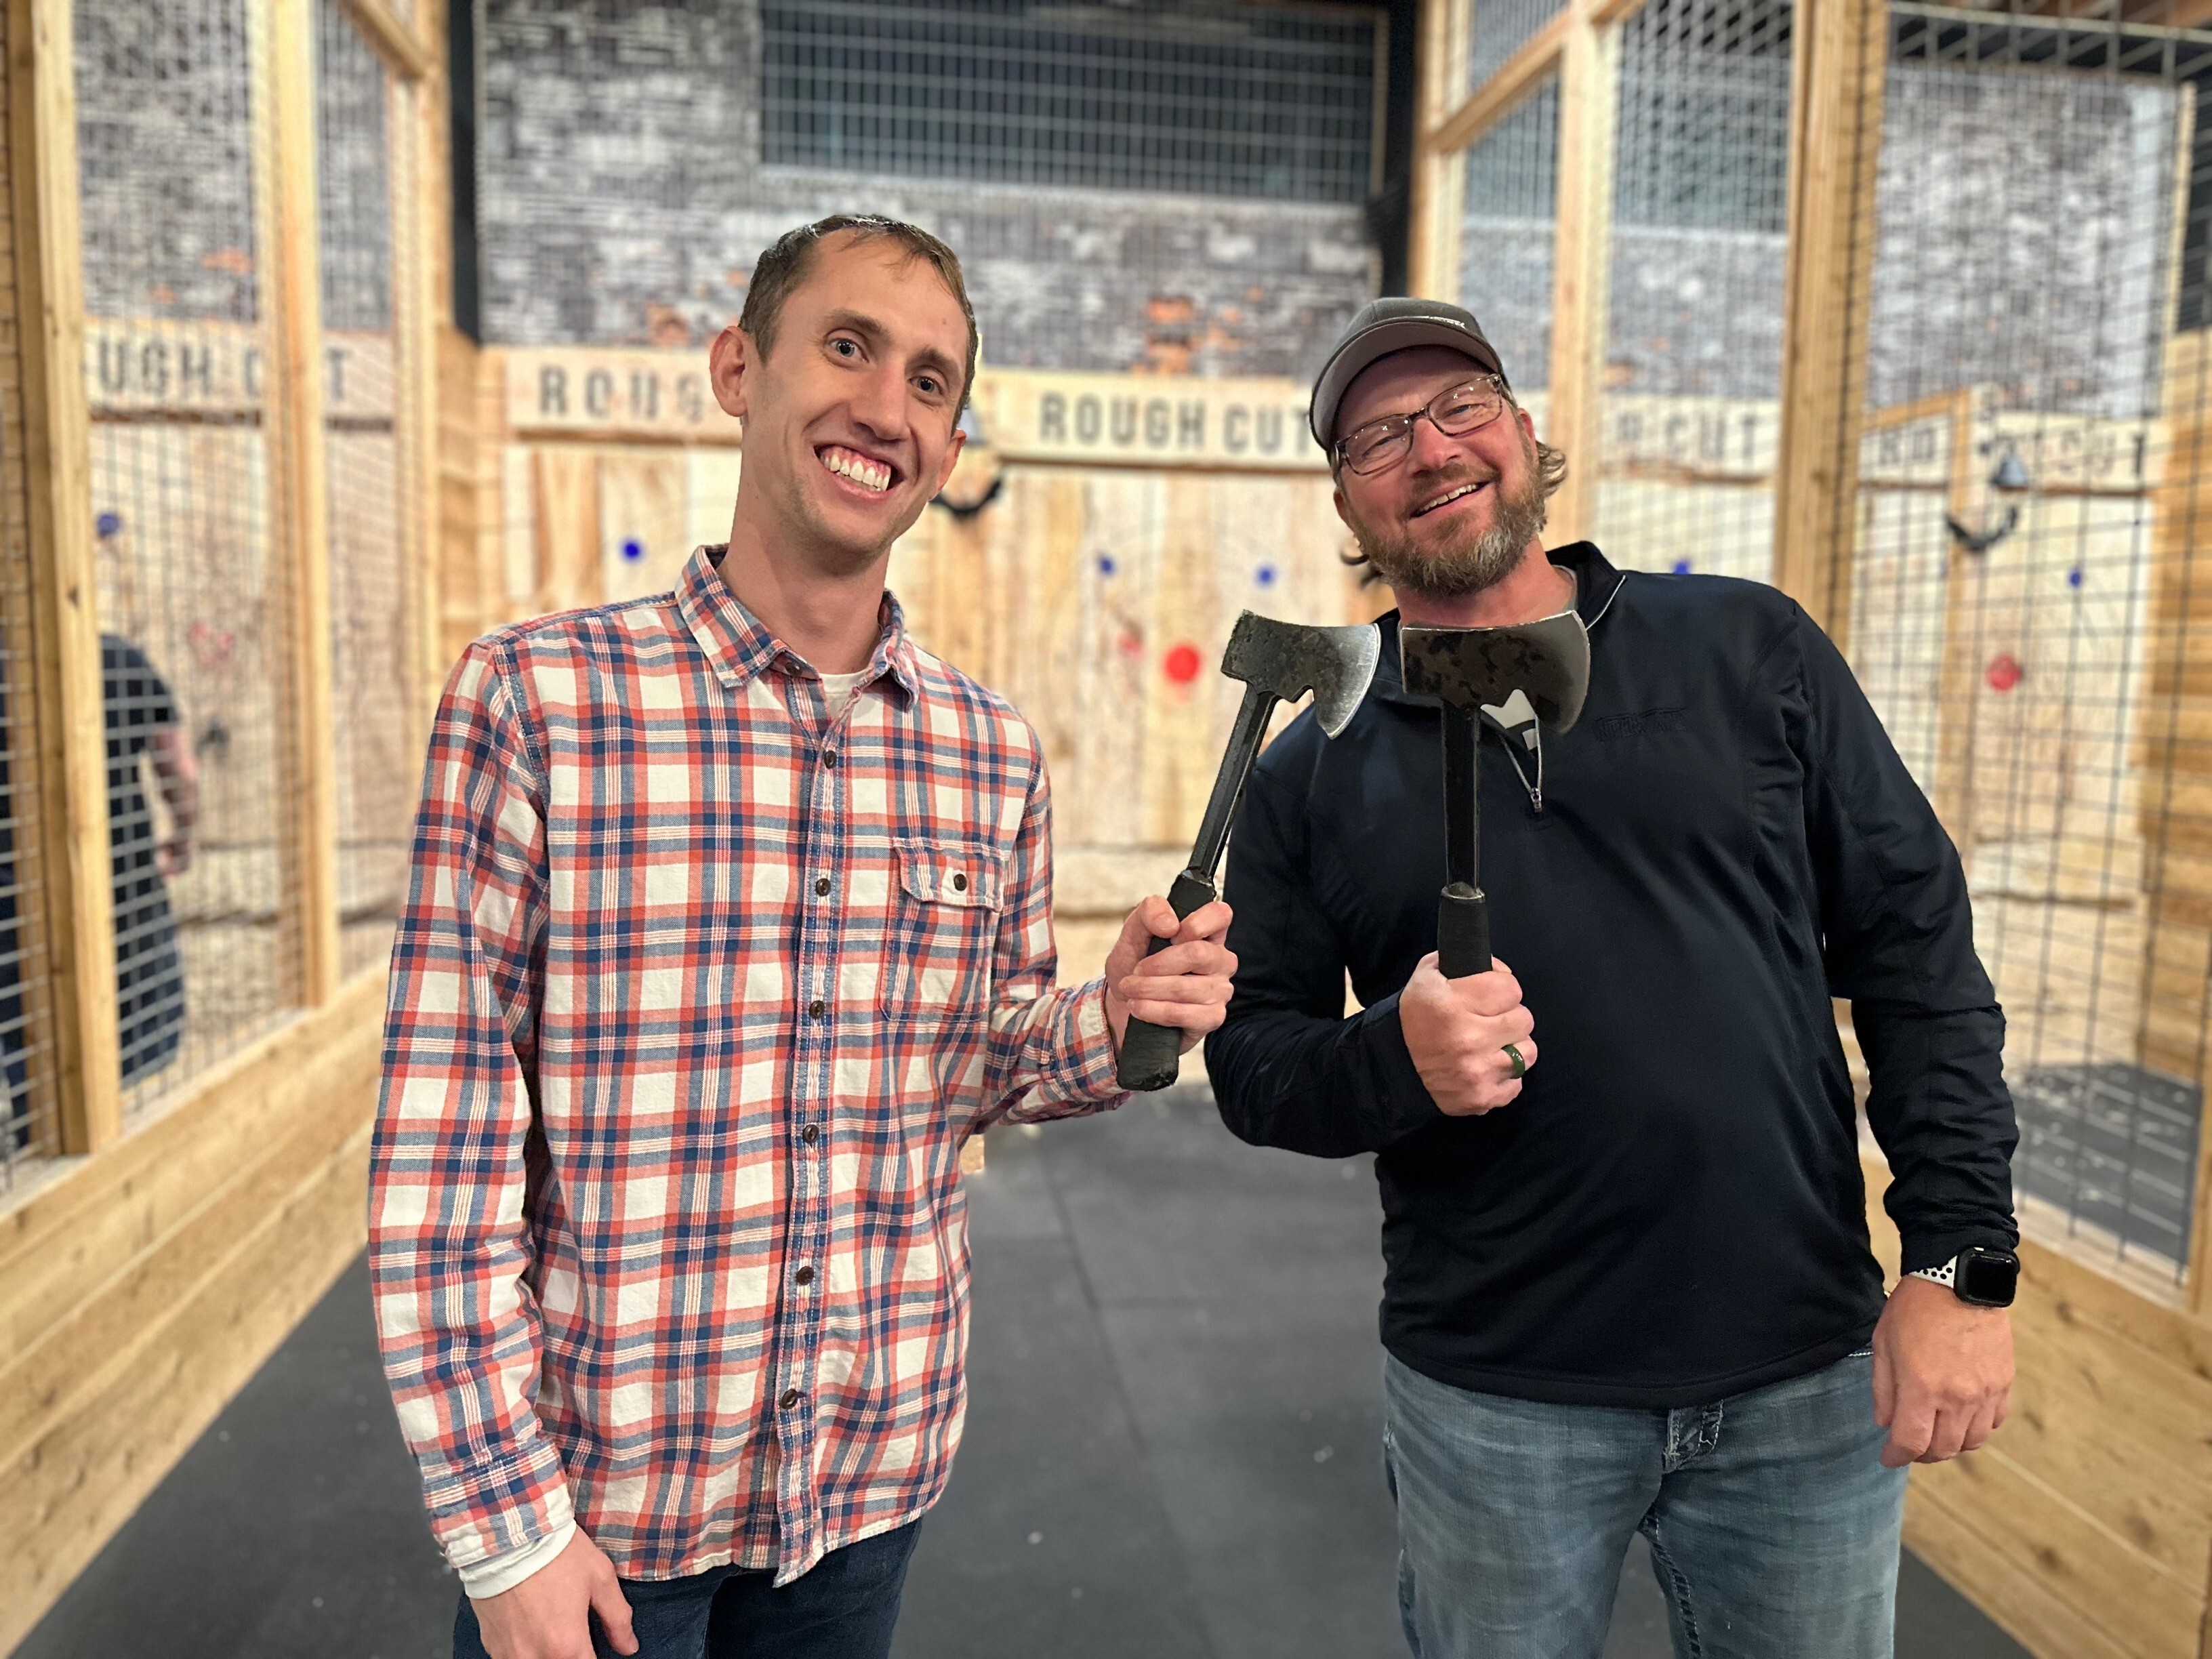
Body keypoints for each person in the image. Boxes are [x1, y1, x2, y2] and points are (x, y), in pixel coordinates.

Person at [368, 214, 1236, 1659]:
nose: (885, 408)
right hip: (601, 1509)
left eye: (931, 382)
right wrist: (504, 1526)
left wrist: (1116, 1012)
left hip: (862, 1489)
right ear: (738, 369)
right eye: (848, 346)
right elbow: (438, 1146)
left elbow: (976, 1067)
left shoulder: (985, 751)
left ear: (951, 448)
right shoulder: (539, 702)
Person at [1204, 297, 2020, 1659]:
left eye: (1461, 406)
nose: (1429, 447)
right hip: (1495, 1402)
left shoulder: (1749, 652)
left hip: (1805, 1379)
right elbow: (1250, 1066)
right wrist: (1387, 1061)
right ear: (1348, 499)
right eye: (1378, 436)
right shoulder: (1311, 771)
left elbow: (1917, 946)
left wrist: (1958, 1258)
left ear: (1526, 433)